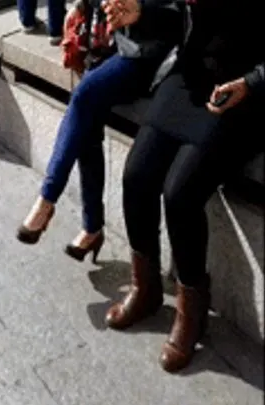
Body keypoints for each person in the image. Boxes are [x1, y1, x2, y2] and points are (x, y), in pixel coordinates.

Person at [103, 0, 265, 372]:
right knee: (137, 176)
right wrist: (142, 13)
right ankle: (145, 290)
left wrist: (252, 83)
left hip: (247, 92)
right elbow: (181, 20)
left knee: (180, 194)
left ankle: (191, 313)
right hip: (193, 77)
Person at [16, 0, 181, 262]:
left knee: (84, 96)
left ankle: (47, 199)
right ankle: (91, 226)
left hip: (149, 55)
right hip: (111, 44)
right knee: (87, 125)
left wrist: (139, 11)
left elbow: (183, 16)